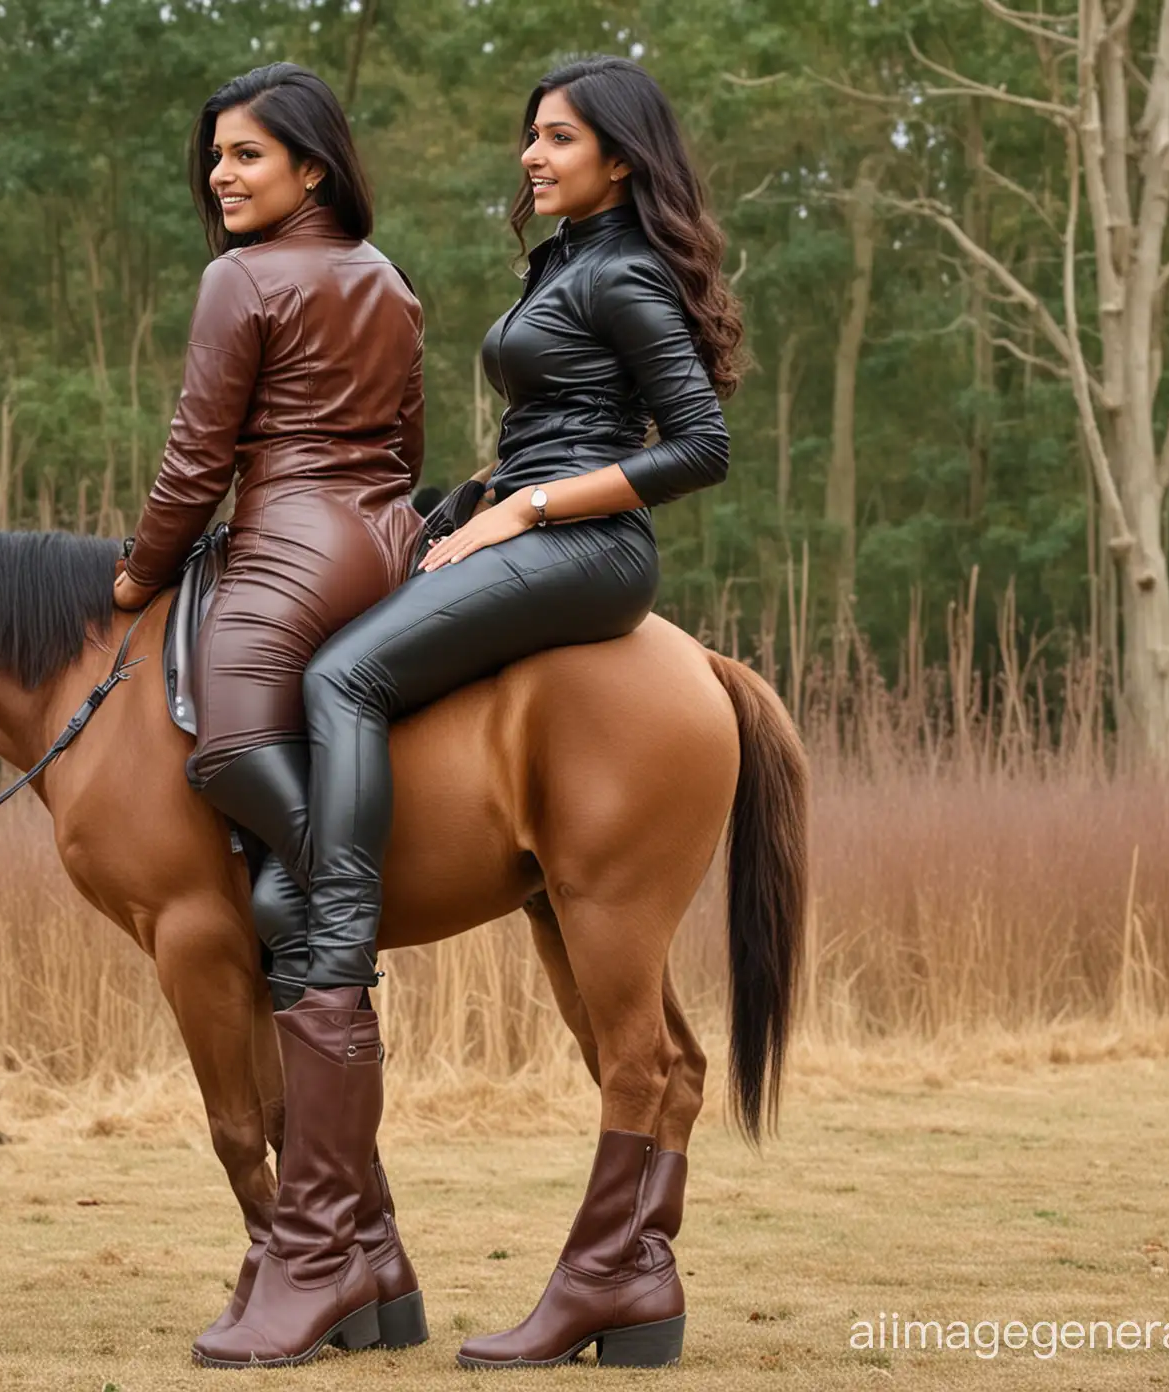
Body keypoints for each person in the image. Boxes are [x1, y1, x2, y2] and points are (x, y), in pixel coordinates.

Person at [297, 56, 745, 1369]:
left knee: (339, 679)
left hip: (584, 551)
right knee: (326, 638)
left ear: (620, 156)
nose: (531, 155)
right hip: (512, 523)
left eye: (557, 137)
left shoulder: (624, 272)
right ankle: (629, 1275)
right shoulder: (565, 263)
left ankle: (333, 927)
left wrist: (525, 508)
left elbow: (700, 446)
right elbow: (552, 420)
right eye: (528, 137)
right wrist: (442, 507)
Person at [109, 63, 425, 1366]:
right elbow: (403, 437)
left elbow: (198, 450)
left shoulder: (240, 282)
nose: (222, 177)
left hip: (291, 533)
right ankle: (378, 1266)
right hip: (385, 532)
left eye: (248, 156)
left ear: (311, 166)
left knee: (229, 743)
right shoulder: (390, 278)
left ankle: (318, 893)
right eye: (216, 159)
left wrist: (138, 571)